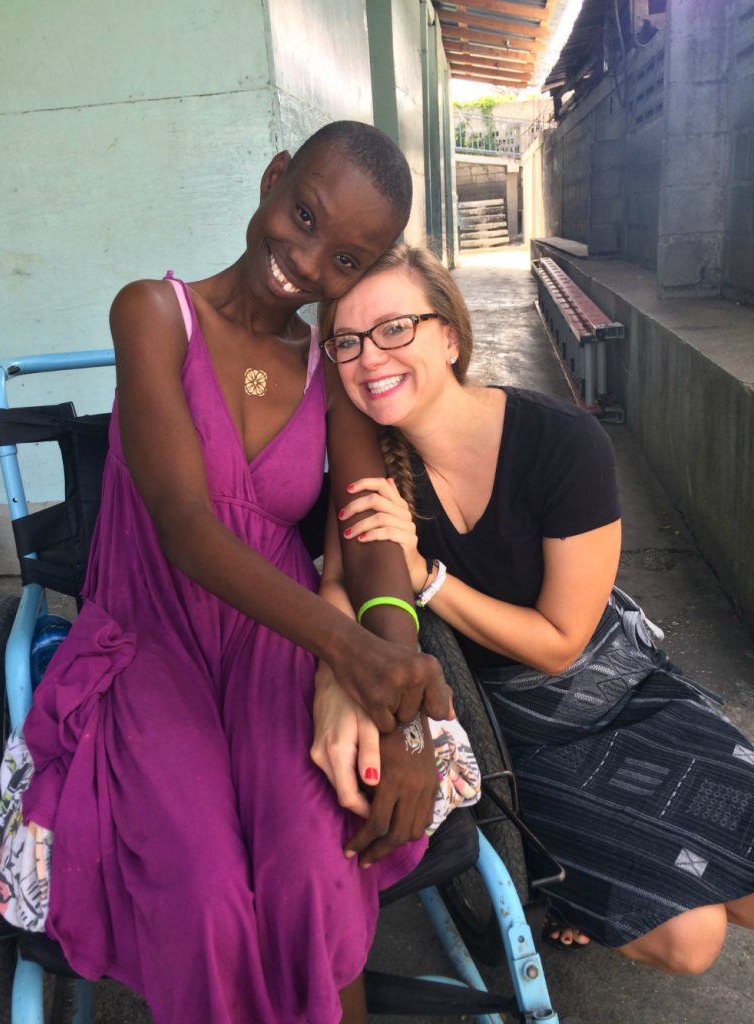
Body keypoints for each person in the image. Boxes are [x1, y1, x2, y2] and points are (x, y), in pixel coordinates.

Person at [5, 125, 455, 1024]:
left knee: (312, 868)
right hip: (153, 638)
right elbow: (182, 524)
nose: (303, 261)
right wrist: (349, 650)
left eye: (342, 258)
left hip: (273, 642)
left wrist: (397, 688)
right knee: (201, 889)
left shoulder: (327, 367)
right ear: (275, 175)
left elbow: (369, 529)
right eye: (302, 214)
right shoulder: (151, 312)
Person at [313, 241, 754, 975]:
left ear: (450, 337)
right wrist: (335, 680)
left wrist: (427, 579)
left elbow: (560, 643)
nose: (368, 357)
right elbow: (336, 581)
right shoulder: (372, 466)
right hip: (517, 733)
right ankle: (579, 897)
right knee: (692, 940)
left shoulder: (561, 442)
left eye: (396, 328)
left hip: (612, 689)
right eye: (348, 342)